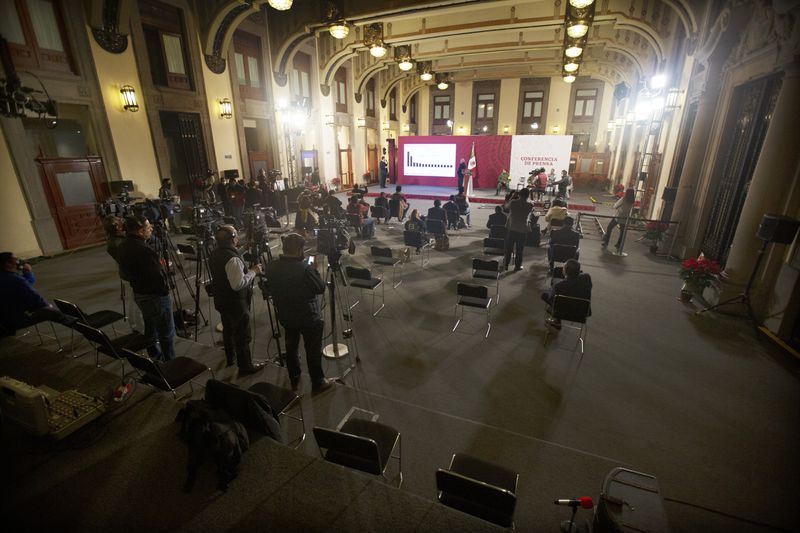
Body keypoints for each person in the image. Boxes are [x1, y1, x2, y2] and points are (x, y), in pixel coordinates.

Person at [263, 233, 334, 393]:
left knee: (291, 347)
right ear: (299, 249)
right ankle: (318, 381)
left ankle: (294, 377)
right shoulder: (305, 268)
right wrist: (313, 270)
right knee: (313, 350)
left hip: (286, 315)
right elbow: (320, 288)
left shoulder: (271, 266)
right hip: (309, 316)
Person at [116, 216, 176, 361]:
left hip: (139, 293)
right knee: (166, 332)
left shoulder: (122, 245)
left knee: (150, 327)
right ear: (141, 231)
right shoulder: (144, 250)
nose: (151, 230)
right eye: (149, 228)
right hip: (155, 296)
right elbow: (156, 276)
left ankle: (154, 355)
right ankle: (170, 363)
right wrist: (165, 290)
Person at [209, 225, 264, 374]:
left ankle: (230, 357)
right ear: (233, 238)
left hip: (222, 299)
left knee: (228, 329)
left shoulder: (215, 253)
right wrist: (253, 271)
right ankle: (245, 366)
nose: (238, 236)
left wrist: (244, 249)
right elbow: (238, 284)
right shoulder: (232, 259)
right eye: (236, 235)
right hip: (235, 303)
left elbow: (231, 261)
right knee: (242, 335)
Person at [0, 252, 74, 335]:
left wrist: (28, 273)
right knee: (51, 312)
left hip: (4, 318)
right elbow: (34, 297)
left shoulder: (8, 276)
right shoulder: (15, 279)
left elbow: (25, 284)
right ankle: (81, 326)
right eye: (15, 259)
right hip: (11, 320)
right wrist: (46, 305)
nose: (18, 261)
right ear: (8, 264)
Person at [541, 259, 592, 329]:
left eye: (563, 267)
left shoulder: (559, 286)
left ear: (565, 271)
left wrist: (545, 294)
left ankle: (556, 321)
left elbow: (550, 298)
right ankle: (557, 321)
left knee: (548, 297)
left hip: (564, 313)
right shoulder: (587, 277)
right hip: (583, 312)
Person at [504, 187, 532, 271]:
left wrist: (513, 196)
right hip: (522, 230)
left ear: (519, 194)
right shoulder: (530, 205)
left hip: (512, 228)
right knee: (520, 250)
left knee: (508, 248)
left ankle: (506, 265)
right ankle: (517, 266)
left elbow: (506, 207)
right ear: (528, 196)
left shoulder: (513, 202)